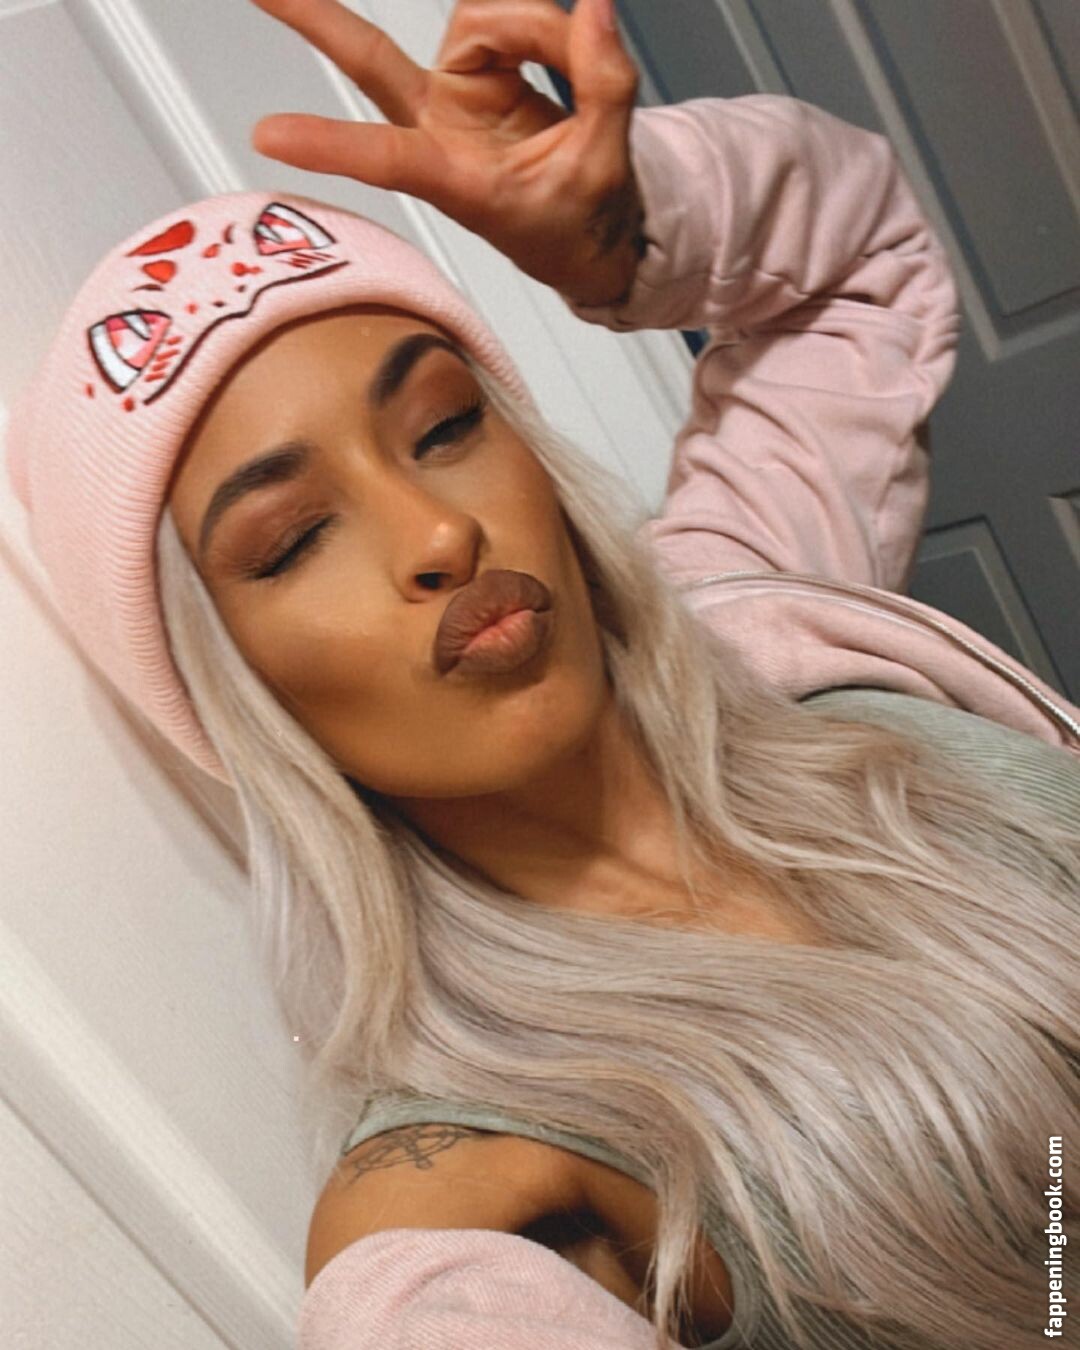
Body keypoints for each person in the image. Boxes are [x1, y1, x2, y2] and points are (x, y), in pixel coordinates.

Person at [4, 0, 1077, 1347]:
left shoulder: (745, 606)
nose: (437, 533)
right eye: (292, 539)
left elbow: (856, 265)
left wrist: (632, 230)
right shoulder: (474, 1178)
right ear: (231, 686)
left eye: (445, 425)